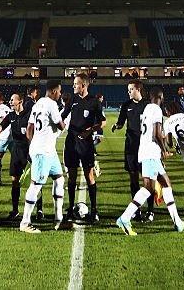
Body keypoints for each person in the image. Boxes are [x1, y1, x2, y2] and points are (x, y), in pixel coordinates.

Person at [115, 88, 184, 235]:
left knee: (166, 185)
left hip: (148, 152)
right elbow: (157, 133)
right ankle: (124, 218)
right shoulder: (156, 109)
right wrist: (164, 151)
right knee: (148, 189)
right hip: (150, 153)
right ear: (160, 97)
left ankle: (177, 222)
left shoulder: (147, 108)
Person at [19, 80, 68, 234]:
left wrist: (31, 147)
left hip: (47, 150)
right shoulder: (51, 104)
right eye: (59, 91)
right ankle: (25, 222)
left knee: (59, 179)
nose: (60, 94)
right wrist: (65, 120)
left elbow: (29, 129)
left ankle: (58, 219)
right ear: (53, 91)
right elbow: (60, 125)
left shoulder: (38, 103)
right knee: (36, 185)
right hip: (43, 151)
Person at [61, 74, 105, 223]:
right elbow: (62, 117)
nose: (73, 86)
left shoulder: (94, 102)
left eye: (76, 84)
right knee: (71, 177)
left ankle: (94, 211)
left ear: (84, 85)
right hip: (71, 143)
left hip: (86, 144)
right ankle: (71, 208)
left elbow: (102, 122)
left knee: (89, 176)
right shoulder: (72, 100)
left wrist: (90, 130)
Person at [112, 81, 155, 222]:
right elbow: (121, 122)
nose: (129, 92)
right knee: (133, 177)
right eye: (128, 89)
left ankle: (150, 211)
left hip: (145, 147)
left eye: (131, 89)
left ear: (138, 89)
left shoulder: (148, 105)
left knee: (147, 180)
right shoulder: (126, 105)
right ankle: (136, 210)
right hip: (131, 146)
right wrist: (116, 126)